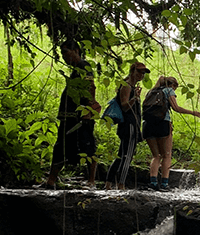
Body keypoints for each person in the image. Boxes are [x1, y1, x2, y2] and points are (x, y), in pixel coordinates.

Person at [41, 39, 101, 189]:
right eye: (62, 54)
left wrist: (88, 110)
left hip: (80, 117)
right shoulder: (76, 70)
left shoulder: (84, 66)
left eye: (66, 52)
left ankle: (91, 181)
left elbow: (91, 86)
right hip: (69, 116)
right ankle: (51, 181)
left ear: (76, 51)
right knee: (61, 147)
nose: (64, 56)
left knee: (87, 146)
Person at [142, 76, 200, 190]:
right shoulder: (168, 90)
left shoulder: (151, 92)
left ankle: (153, 183)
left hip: (147, 125)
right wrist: (192, 112)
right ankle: (164, 184)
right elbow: (175, 107)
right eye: (175, 88)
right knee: (167, 155)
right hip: (162, 124)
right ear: (172, 85)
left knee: (156, 156)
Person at [105, 61, 150, 189]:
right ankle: (121, 184)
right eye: (139, 71)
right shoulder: (127, 86)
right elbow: (124, 106)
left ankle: (108, 183)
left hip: (131, 124)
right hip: (129, 125)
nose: (142, 75)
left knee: (121, 155)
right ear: (132, 71)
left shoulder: (131, 86)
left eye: (144, 73)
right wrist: (134, 98)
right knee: (127, 156)